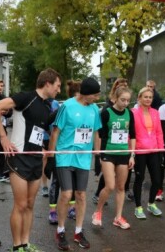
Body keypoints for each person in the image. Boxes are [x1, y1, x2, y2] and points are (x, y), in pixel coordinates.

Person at [0, 68, 61, 252]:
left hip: (36, 159)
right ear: (47, 83)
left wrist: (44, 149)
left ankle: (26, 243)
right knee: (20, 204)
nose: (58, 90)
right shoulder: (25, 98)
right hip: (19, 158)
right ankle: (16, 246)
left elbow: (37, 133)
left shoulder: (47, 106)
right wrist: (3, 137)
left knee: (30, 204)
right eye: (57, 86)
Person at [49, 77, 102, 251]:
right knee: (66, 193)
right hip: (65, 155)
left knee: (81, 194)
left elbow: (96, 133)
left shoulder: (94, 109)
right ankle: (61, 230)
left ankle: (78, 231)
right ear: (86, 93)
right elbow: (56, 131)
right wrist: (51, 155)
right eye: (95, 95)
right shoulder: (67, 106)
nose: (97, 98)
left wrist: (97, 154)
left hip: (83, 158)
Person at [91, 87, 136, 230]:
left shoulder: (129, 113)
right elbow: (100, 134)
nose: (125, 103)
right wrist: (99, 153)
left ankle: (118, 217)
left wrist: (132, 155)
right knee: (110, 185)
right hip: (109, 153)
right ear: (115, 98)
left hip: (123, 154)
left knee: (121, 187)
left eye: (128, 100)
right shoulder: (106, 113)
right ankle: (98, 212)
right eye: (123, 100)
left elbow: (133, 135)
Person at [47, 80, 80, 225]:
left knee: (73, 181)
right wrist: (51, 153)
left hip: (76, 151)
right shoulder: (64, 107)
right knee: (56, 181)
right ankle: (52, 211)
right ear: (75, 95)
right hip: (61, 151)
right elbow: (48, 123)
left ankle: (72, 208)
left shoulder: (85, 109)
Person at [93, 78, 128, 204]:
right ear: (115, 89)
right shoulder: (107, 107)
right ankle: (98, 194)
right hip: (108, 147)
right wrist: (99, 152)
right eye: (121, 85)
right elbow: (99, 132)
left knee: (120, 176)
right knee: (109, 176)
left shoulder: (127, 109)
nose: (123, 87)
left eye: (125, 85)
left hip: (122, 147)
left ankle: (125, 190)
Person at [131, 87, 164, 219]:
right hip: (139, 151)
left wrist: (161, 149)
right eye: (145, 97)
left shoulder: (156, 112)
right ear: (139, 98)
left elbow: (159, 132)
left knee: (157, 179)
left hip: (154, 150)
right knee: (139, 179)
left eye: (150, 97)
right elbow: (131, 134)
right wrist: (131, 151)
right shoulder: (133, 112)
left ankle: (151, 203)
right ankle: (138, 207)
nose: (148, 99)